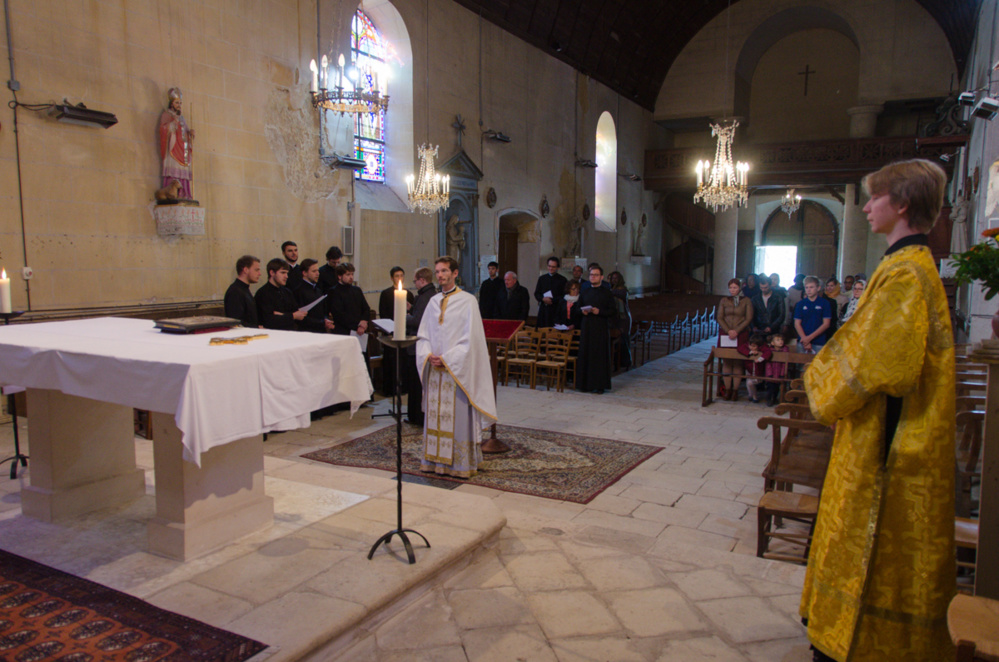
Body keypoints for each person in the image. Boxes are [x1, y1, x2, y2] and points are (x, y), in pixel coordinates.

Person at [800, 159, 956, 661]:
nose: (867, 207)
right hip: (877, 426)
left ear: (902, 204)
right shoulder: (904, 264)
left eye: (875, 197)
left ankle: (858, 640)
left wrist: (820, 380)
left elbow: (878, 360)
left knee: (868, 536)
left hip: (889, 438)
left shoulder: (906, 272)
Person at [416, 256, 497, 478]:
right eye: (437, 271)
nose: (440, 275)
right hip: (435, 372)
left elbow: (471, 340)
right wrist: (428, 355)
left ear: (455, 273)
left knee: (458, 419)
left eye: (444, 271)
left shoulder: (468, 301)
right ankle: (434, 462)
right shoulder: (433, 302)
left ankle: (460, 465)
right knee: (435, 417)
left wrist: (448, 359)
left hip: (456, 371)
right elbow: (423, 335)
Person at [576, 266, 616, 394]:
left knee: (599, 356)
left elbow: (613, 311)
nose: (593, 277)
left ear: (601, 277)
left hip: (600, 327)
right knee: (586, 354)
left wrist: (600, 312)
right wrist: (582, 311)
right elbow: (577, 308)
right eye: (591, 275)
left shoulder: (607, 293)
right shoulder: (585, 292)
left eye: (596, 275)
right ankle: (585, 385)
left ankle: (599, 385)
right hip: (587, 326)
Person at [405, 267, 436, 426]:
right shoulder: (430, 294)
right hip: (424, 344)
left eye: (415, 280)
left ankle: (416, 416)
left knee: (416, 384)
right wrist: (412, 309)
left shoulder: (425, 297)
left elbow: (418, 321)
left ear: (422, 280)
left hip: (418, 344)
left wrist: (405, 317)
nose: (415, 283)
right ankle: (416, 415)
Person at [378, 266, 414, 396]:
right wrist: (392, 327)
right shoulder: (386, 294)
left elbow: (412, 312)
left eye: (401, 275)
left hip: (405, 332)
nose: (399, 278)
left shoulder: (408, 294)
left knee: (404, 361)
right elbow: (383, 313)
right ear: (392, 278)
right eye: (397, 276)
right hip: (391, 332)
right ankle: (391, 389)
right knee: (391, 361)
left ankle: (404, 387)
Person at [716, 278, 753, 400]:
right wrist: (728, 331)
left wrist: (736, 331)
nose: (732, 290)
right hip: (726, 333)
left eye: (735, 288)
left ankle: (735, 390)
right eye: (731, 288)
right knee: (727, 361)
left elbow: (748, 318)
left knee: (737, 361)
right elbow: (720, 317)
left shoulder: (746, 301)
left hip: (741, 333)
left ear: (740, 288)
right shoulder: (724, 300)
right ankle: (727, 389)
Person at [158, 87, 194, 199]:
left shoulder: (182, 118)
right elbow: (163, 129)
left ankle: (184, 193)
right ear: (171, 103)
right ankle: (172, 192)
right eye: (177, 103)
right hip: (172, 148)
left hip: (182, 149)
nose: (179, 105)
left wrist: (190, 133)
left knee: (183, 169)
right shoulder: (166, 115)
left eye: (180, 103)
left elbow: (185, 131)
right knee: (173, 170)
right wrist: (173, 124)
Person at [254, 258, 306, 330]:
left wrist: (283, 315)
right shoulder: (262, 293)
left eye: (287, 273)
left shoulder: (287, 292)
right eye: (283, 273)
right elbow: (268, 320)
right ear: (272, 273)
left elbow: (296, 313)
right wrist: (292, 316)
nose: (286, 276)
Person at [328, 263, 370, 338]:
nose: (351, 277)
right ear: (339, 276)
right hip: (342, 331)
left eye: (352, 274)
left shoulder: (357, 290)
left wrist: (364, 322)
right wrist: (358, 324)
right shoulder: (334, 291)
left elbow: (366, 309)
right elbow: (339, 315)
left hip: (360, 330)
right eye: (348, 275)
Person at [294, 258, 335, 334]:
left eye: (318, 271)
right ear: (304, 273)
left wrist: (325, 319)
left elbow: (324, 311)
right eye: (314, 271)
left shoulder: (318, 290)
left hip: (320, 331)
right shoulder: (298, 291)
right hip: (306, 332)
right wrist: (322, 323)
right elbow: (300, 317)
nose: (318, 274)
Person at [794, 276, 832, 353]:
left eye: (811, 287)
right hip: (802, 341)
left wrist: (809, 338)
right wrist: (805, 339)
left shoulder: (825, 303)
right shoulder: (800, 304)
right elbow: (797, 323)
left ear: (818, 288)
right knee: (800, 360)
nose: (808, 290)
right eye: (806, 287)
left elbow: (826, 324)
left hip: (819, 341)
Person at [223, 255, 262, 328]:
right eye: (256, 270)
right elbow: (236, 322)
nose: (259, 274)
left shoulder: (244, 289)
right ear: (246, 270)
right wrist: (257, 328)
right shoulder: (235, 292)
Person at [607, 271, 632, 369]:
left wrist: (607, 291)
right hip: (615, 318)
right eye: (612, 278)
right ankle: (616, 362)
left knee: (623, 340)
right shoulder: (612, 289)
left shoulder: (622, 290)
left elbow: (617, 294)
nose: (614, 280)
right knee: (616, 341)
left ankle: (625, 362)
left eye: (616, 278)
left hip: (623, 318)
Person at [534, 256, 567, 328]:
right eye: (549, 266)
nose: (551, 268)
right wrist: (543, 299)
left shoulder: (562, 280)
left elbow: (564, 295)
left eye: (553, 267)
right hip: (543, 309)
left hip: (556, 310)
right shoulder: (542, 278)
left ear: (558, 268)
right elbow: (537, 293)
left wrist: (552, 300)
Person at [738, 333, 771, 403]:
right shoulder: (747, 345)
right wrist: (750, 352)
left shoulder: (763, 347)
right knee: (748, 382)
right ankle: (752, 395)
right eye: (750, 345)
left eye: (754, 346)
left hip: (758, 369)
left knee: (750, 383)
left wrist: (760, 359)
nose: (751, 347)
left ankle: (753, 396)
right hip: (749, 367)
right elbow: (740, 348)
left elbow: (768, 352)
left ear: (758, 346)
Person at [764, 333, 788, 406]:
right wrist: (769, 374)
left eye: (781, 339)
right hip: (771, 374)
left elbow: (784, 364)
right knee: (770, 387)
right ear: (772, 343)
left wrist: (782, 374)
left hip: (779, 373)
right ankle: (769, 399)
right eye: (778, 340)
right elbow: (768, 364)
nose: (781, 341)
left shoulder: (784, 351)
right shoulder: (769, 351)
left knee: (777, 388)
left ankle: (774, 398)